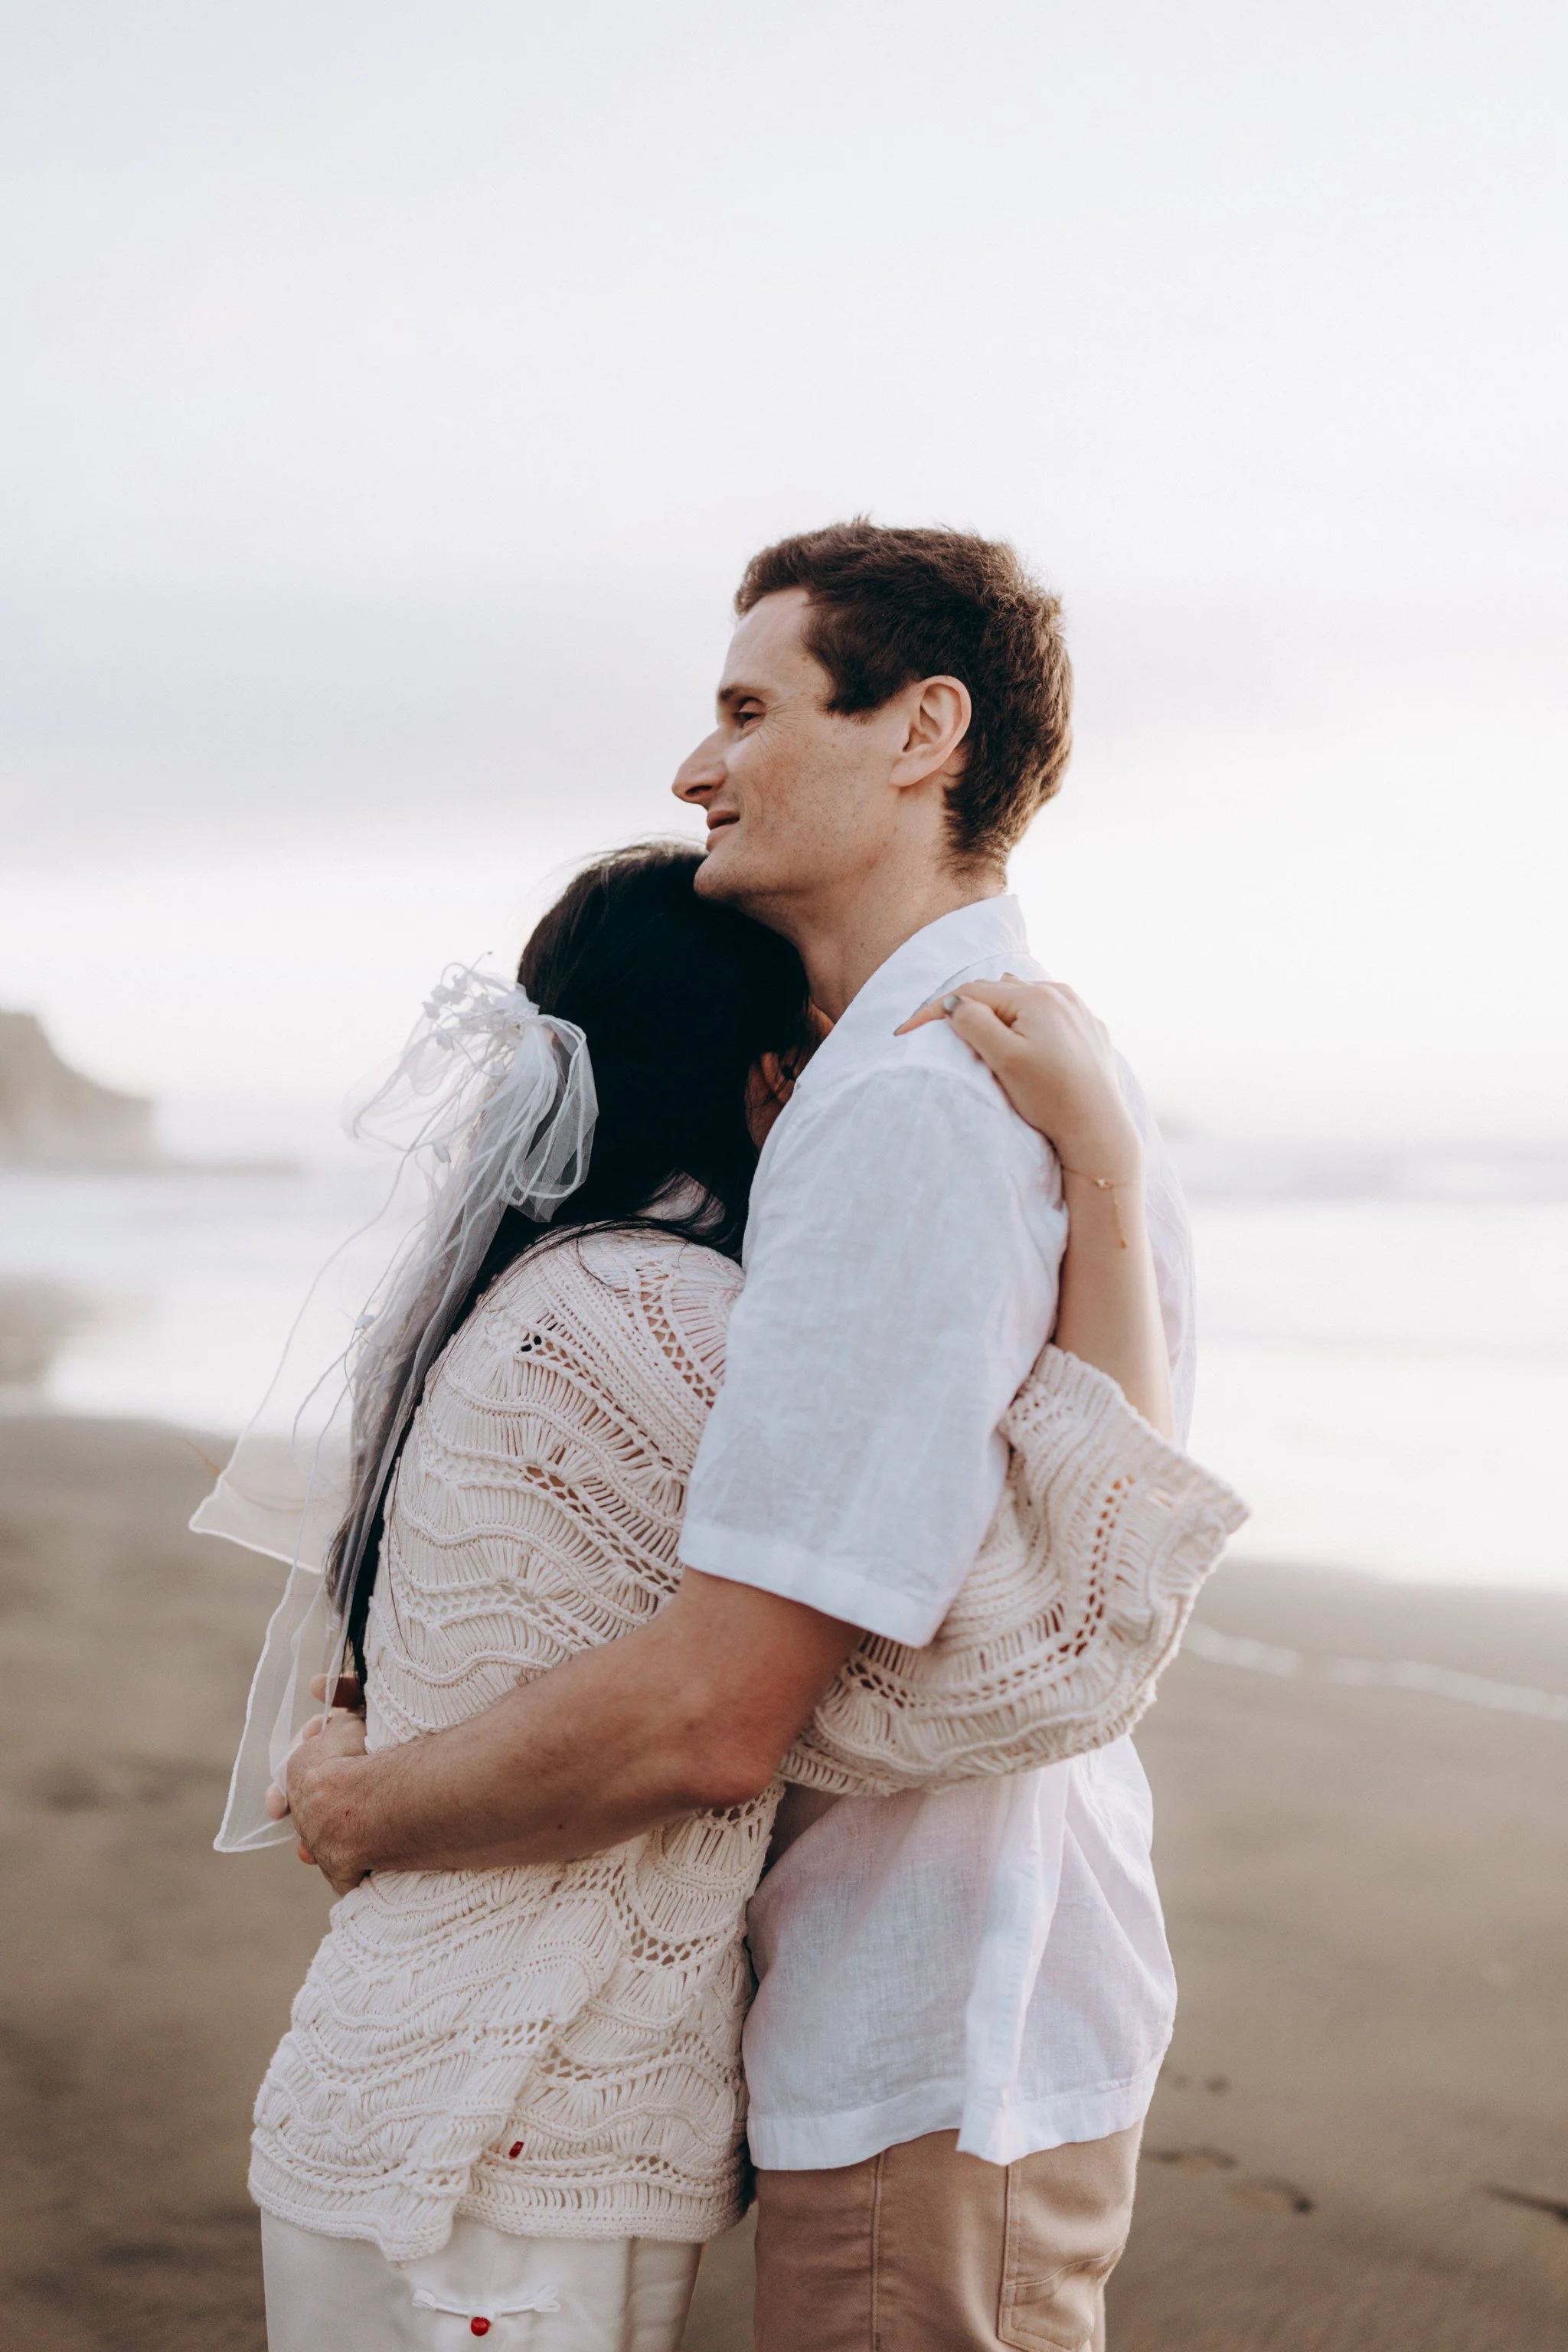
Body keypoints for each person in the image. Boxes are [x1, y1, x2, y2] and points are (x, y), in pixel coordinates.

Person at [277, 524, 1213, 2352]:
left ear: (921, 729)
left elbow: (767, 1691)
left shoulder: (915, 1113)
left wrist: (376, 1794)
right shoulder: (931, 1087)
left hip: (940, 1995)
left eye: (745, 707)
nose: (697, 766)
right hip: (891, 1990)